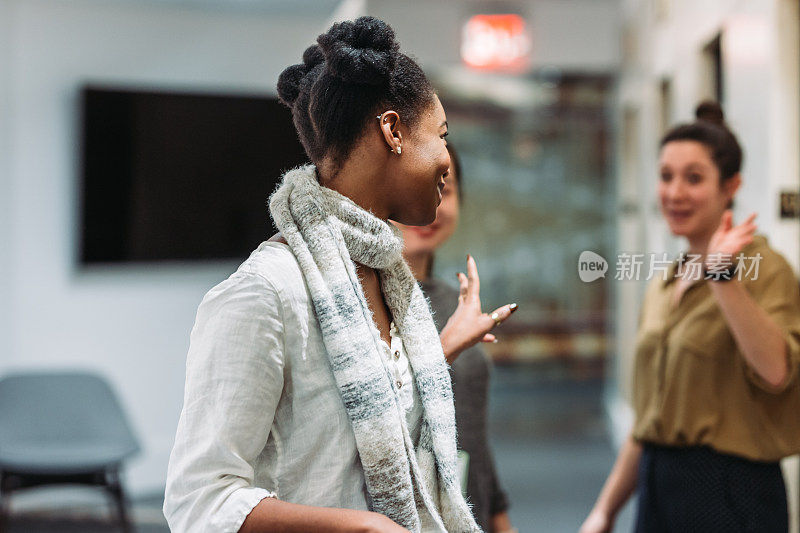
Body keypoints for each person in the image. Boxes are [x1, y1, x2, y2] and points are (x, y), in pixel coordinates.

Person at [163, 16, 515, 533]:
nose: (447, 160)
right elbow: (199, 501)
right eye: (441, 136)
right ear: (393, 131)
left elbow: (367, 421)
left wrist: (439, 352)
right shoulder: (265, 292)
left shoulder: (389, 279)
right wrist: (361, 526)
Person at [580, 101, 800, 533]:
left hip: (733, 493)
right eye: (666, 177)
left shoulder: (766, 268)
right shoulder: (664, 282)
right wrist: (605, 511)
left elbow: (776, 371)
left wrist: (722, 275)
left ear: (730, 185)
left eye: (694, 178)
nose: (675, 193)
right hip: (659, 486)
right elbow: (648, 422)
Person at [395, 143, 517, 533]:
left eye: (444, 190)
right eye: (412, 188)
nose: (429, 205)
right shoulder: (364, 305)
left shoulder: (454, 301)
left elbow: (473, 434)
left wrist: (499, 517)